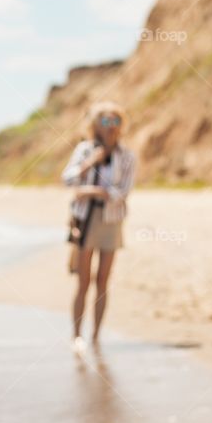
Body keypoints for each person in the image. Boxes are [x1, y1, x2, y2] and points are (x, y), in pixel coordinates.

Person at [61, 100, 136, 351]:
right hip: (85, 221)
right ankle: (76, 335)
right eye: (105, 121)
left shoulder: (127, 156)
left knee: (103, 282)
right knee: (83, 281)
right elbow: (68, 180)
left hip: (111, 221)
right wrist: (91, 162)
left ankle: (95, 336)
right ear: (96, 124)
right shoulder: (84, 150)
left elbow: (123, 192)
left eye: (116, 121)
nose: (111, 126)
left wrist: (94, 191)